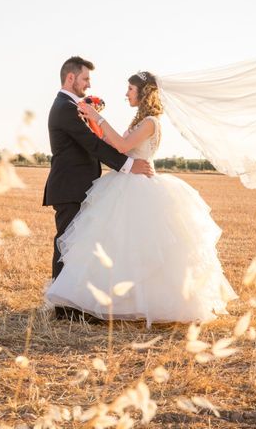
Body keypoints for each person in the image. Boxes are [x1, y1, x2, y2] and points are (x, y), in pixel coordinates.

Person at [45, 71, 238, 327]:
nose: (126, 94)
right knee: (115, 246)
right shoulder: (140, 120)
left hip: (139, 187)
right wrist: (93, 122)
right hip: (124, 184)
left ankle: (140, 302)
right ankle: (99, 301)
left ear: (143, 93)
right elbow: (114, 143)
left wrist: (97, 117)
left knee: (141, 248)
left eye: (130, 89)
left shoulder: (151, 121)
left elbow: (124, 147)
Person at [42, 57, 153, 320]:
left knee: (76, 244)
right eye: (85, 79)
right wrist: (128, 165)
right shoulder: (65, 107)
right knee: (66, 244)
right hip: (69, 186)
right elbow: (92, 145)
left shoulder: (72, 106)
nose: (88, 85)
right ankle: (64, 308)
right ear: (70, 78)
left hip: (79, 185)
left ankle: (73, 301)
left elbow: (96, 141)